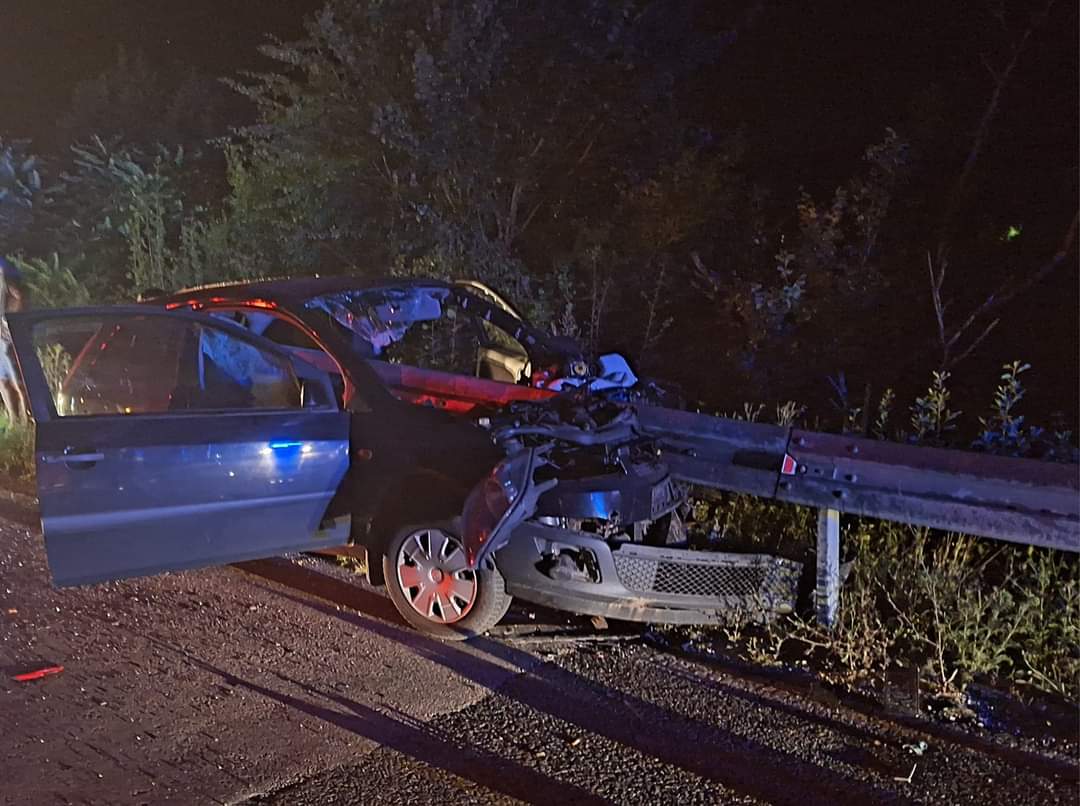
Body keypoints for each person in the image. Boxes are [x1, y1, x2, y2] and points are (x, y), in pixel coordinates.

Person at [0, 256, 27, 423]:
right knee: (3, 383)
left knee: (13, 383)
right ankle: (13, 417)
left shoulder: (10, 304)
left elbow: (8, 330)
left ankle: (22, 416)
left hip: (3, 347)